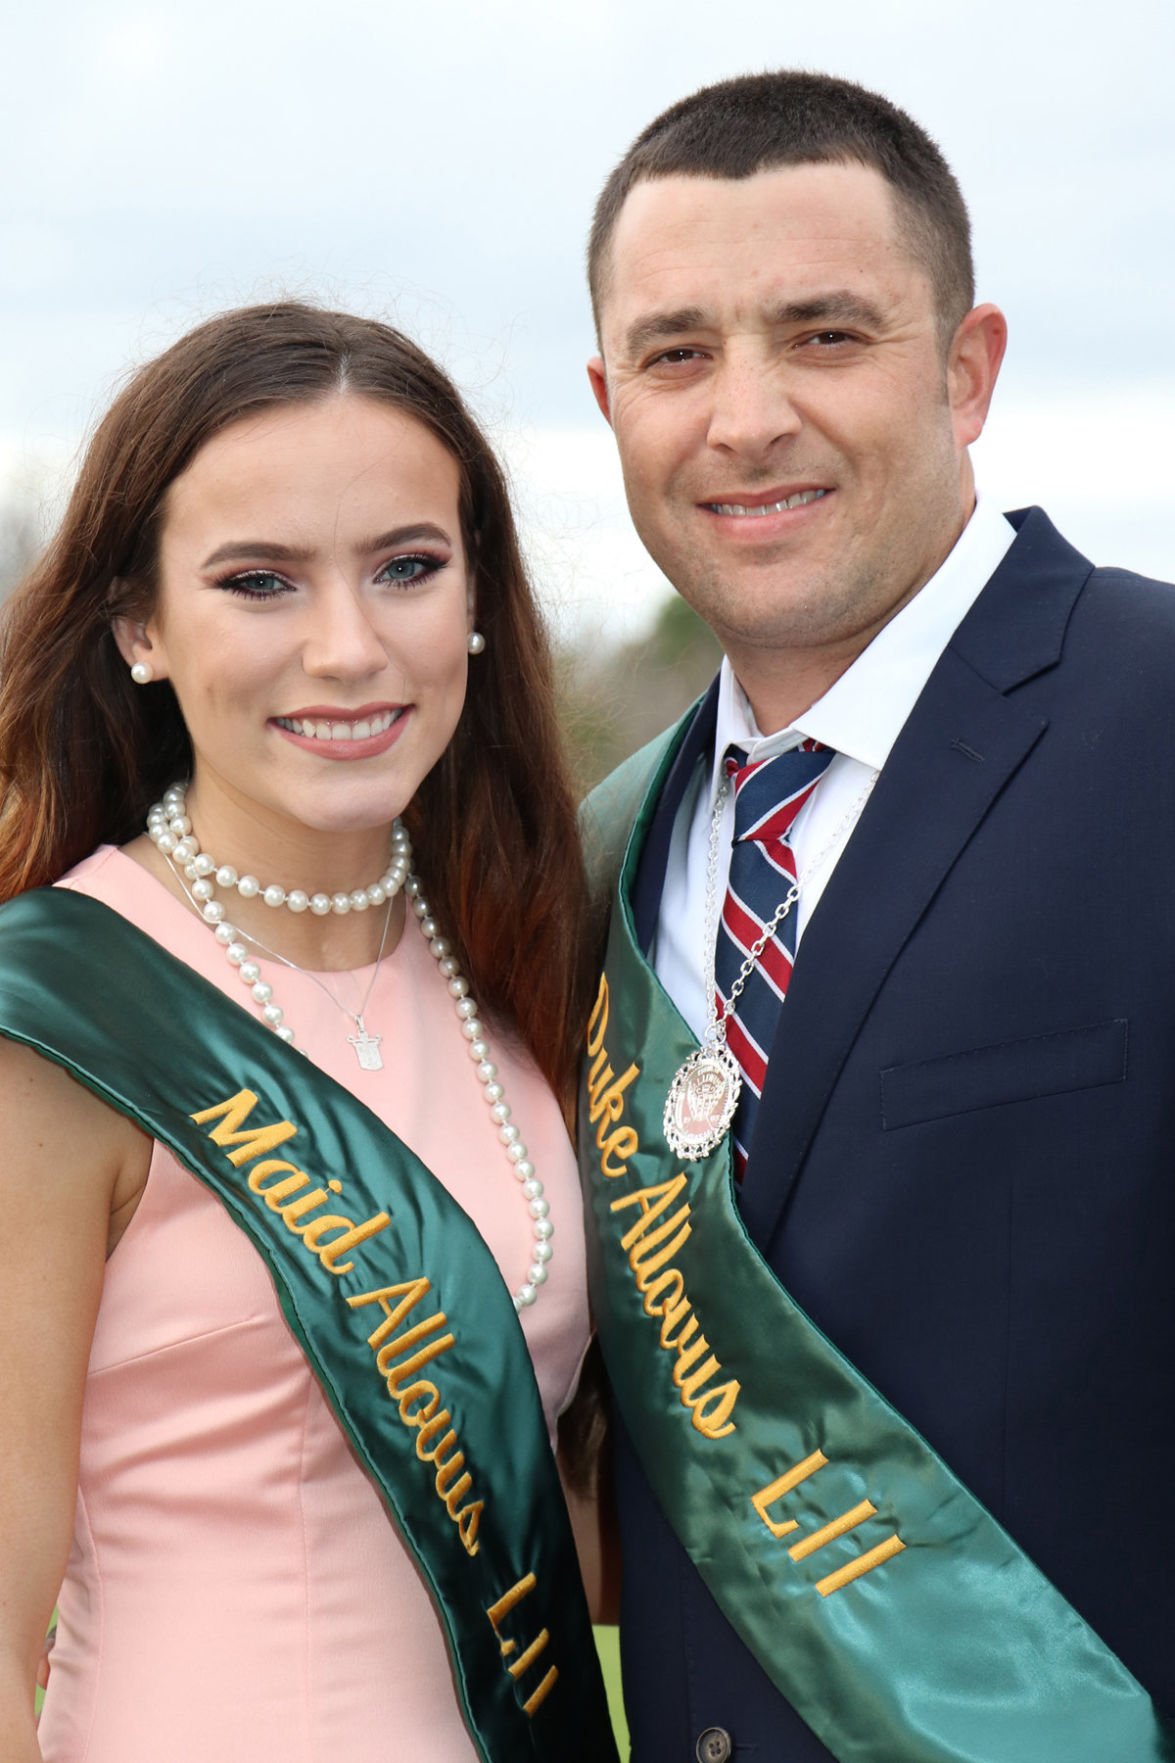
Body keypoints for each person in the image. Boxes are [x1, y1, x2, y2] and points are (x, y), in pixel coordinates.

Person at [577, 70, 1175, 1762]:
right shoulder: (591, 861)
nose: (745, 417)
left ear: (967, 370)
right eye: (679, 355)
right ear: (611, 397)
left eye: (825, 336)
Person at [0, 303, 617, 1763]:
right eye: (260, 581)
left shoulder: (528, 970)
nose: (349, 648)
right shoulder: (54, 1025)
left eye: (407, 568)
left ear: (476, 597)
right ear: (138, 625)